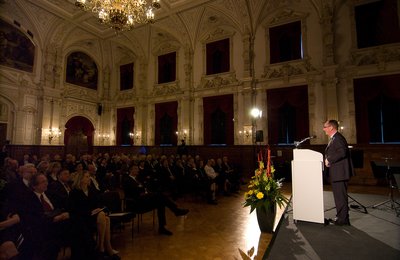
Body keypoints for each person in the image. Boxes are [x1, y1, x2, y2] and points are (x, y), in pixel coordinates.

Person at [122, 164, 189, 236]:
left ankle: (162, 227)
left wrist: (144, 190)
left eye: (137, 169)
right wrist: (142, 190)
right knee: (160, 197)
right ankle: (176, 211)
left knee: (161, 202)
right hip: (136, 203)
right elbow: (134, 192)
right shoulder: (127, 180)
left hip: (144, 199)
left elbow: (143, 188)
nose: (137, 170)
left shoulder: (137, 179)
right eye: (135, 169)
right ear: (130, 170)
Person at [323, 119, 353, 226]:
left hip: (340, 174)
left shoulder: (338, 138)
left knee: (341, 197)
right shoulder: (334, 138)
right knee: (339, 197)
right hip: (337, 173)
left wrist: (329, 159)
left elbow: (342, 152)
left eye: (325, 127)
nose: (324, 129)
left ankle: (343, 220)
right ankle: (341, 217)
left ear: (331, 127)